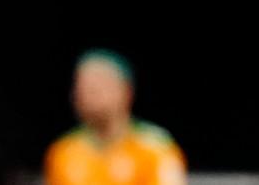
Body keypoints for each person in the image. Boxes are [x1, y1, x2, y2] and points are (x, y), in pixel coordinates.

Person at [44, 50, 186, 185]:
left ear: (126, 91)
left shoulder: (155, 147)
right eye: (82, 85)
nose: (89, 93)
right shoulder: (63, 152)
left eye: (100, 84)